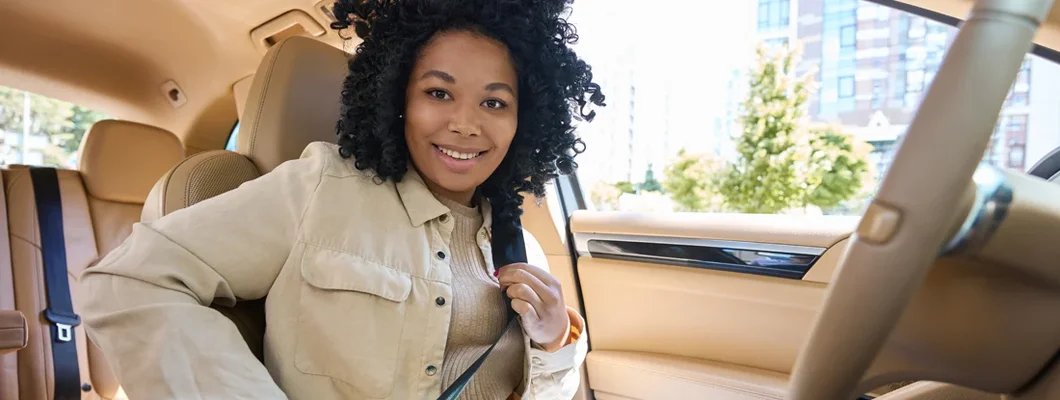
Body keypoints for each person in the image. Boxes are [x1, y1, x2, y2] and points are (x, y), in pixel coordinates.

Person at [79, 0, 606, 399]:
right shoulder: (321, 188)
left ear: (524, 121)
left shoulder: (522, 247)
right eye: (438, 93)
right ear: (396, 99)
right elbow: (130, 282)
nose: (466, 124)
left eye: (494, 102)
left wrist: (555, 342)